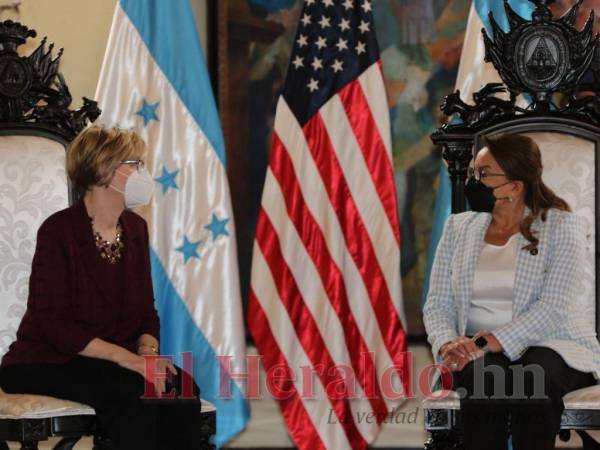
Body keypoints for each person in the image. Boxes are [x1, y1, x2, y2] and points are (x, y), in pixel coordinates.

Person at [0, 126, 204, 450]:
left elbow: (145, 312)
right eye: (135, 164)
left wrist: (147, 354)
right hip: (48, 358)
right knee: (130, 393)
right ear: (102, 170)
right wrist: (127, 360)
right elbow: (52, 325)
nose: (143, 173)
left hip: (110, 360)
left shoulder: (136, 229)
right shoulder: (58, 231)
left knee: (180, 387)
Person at [423, 133, 600, 450]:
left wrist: (493, 340)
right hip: (476, 350)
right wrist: (449, 343)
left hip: (554, 343)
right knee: (484, 382)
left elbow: (553, 307)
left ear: (515, 187)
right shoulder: (458, 228)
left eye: (484, 174)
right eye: (473, 173)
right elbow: (437, 303)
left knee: (533, 382)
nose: (473, 182)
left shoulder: (562, 227)